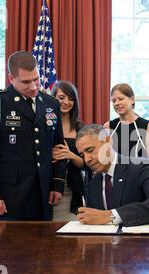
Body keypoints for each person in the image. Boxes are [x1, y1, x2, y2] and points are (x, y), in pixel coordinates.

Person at [0, 50, 66, 221]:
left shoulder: (51, 103)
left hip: (43, 194)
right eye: (26, 82)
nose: (33, 87)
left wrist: (57, 184)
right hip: (8, 197)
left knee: (43, 247)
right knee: (9, 246)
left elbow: (58, 147)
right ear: (11, 78)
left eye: (36, 79)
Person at [75, 124, 149, 226]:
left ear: (108, 142)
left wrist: (111, 216)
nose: (87, 159)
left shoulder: (139, 167)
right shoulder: (93, 183)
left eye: (90, 150)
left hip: (138, 239)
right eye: (82, 155)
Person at [51, 81, 91, 221]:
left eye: (71, 98)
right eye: (61, 98)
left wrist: (71, 155)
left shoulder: (81, 129)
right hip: (49, 189)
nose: (66, 102)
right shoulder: (45, 125)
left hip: (73, 192)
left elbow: (88, 164)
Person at [103, 83, 149, 160]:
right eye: (114, 101)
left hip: (140, 171)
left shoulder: (147, 126)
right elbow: (104, 158)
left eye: (121, 99)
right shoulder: (108, 126)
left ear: (132, 100)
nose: (117, 103)